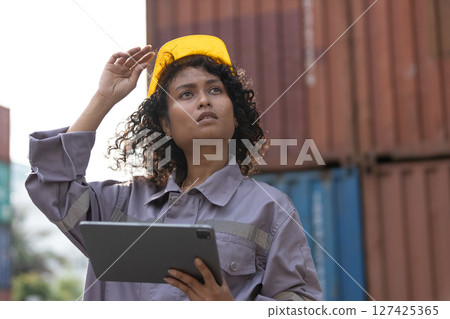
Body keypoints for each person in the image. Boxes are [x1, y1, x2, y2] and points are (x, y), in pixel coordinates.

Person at [25, 35, 322, 301]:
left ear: (235, 117)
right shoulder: (119, 203)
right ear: (165, 125)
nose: (204, 100)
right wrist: (103, 99)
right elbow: (54, 187)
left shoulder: (271, 210)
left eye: (215, 90)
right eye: (187, 94)